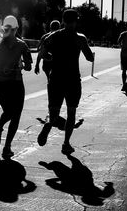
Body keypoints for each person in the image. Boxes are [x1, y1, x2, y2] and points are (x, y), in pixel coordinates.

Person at [37, 9, 94, 155]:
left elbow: (43, 53)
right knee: (71, 112)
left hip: (56, 78)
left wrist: (51, 58)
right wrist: (88, 52)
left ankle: (49, 125)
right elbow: (89, 58)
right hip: (72, 80)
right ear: (76, 21)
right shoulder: (80, 38)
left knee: (54, 111)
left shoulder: (53, 36)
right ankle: (66, 144)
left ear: (63, 20)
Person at [0, 15, 32, 159]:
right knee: (14, 115)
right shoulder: (22, 44)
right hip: (16, 84)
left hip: (0, 84)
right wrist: (22, 65)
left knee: (9, 112)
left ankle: (0, 128)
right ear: (17, 28)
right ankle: (6, 145)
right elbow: (29, 67)